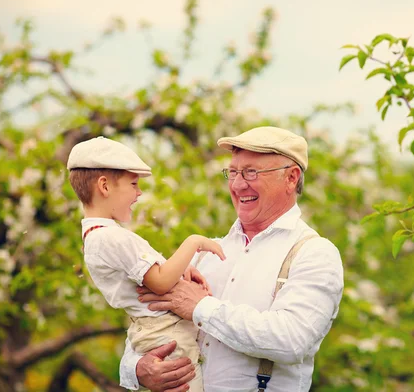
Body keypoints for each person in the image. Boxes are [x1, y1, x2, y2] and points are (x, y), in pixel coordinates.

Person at [119, 126, 344, 392]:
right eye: (234, 172)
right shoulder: (203, 254)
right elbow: (146, 326)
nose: (238, 184)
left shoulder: (314, 252)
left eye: (251, 172)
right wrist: (137, 369)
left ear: (291, 177)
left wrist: (200, 307)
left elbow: (291, 340)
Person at [67, 136, 227, 392]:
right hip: (169, 334)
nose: (139, 193)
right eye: (133, 184)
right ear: (105, 186)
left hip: (156, 332)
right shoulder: (112, 237)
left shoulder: (98, 236)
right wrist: (193, 242)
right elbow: (161, 282)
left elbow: (150, 274)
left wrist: (181, 270)